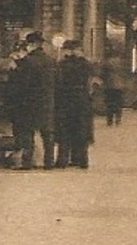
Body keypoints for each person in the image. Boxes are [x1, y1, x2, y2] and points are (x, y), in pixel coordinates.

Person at [8, 32, 57, 169]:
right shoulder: (51, 61)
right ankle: (49, 162)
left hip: (29, 102)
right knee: (47, 134)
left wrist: (14, 69)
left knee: (27, 133)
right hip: (47, 101)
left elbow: (20, 83)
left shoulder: (27, 62)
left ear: (31, 45)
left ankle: (27, 162)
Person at [54, 40, 94, 169]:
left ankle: (63, 159)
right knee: (81, 129)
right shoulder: (86, 65)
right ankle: (81, 159)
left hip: (65, 100)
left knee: (64, 130)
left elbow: (58, 82)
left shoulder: (61, 65)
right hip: (82, 100)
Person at [100, 55, 125, 126]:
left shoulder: (106, 63)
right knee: (118, 103)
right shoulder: (121, 62)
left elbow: (102, 74)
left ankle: (109, 120)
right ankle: (118, 119)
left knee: (109, 103)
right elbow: (125, 73)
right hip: (119, 85)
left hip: (109, 85)